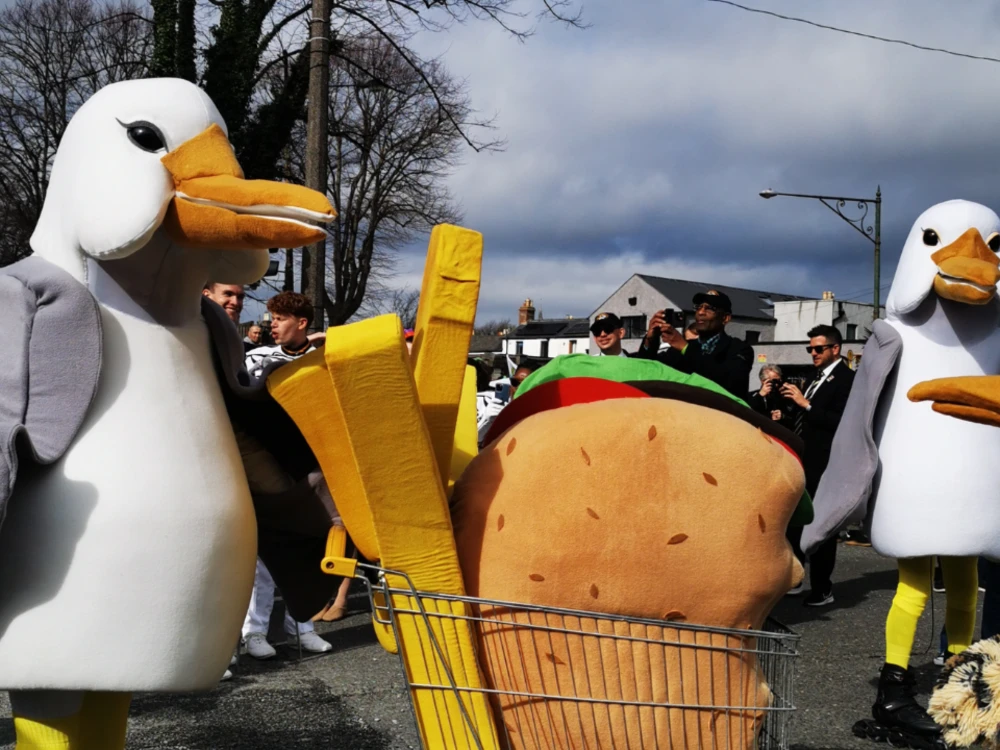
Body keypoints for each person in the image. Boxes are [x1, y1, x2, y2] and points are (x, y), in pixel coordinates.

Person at [241, 292, 335, 658]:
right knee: (266, 555)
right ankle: (255, 633)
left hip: (310, 463)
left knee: (311, 546)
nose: (271, 325)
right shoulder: (255, 358)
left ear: (302, 323)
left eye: (280, 318)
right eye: (271, 318)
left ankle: (302, 626)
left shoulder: (322, 360)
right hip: (269, 463)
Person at [784, 324, 855, 607]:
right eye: (809, 348)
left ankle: (823, 588)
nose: (813, 353)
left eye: (818, 348)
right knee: (794, 521)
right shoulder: (814, 377)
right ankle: (796, 576)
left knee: (821, 526)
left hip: (825, 463)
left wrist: (807, 406)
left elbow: (843, 421)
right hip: (803, 459)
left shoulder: (846, 379)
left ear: (835, 349)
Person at [634, 289, 753, 397]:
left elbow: (731, 383)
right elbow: (647, 370)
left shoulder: (739, 349)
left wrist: (686, 348)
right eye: (698, 307)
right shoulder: (680, 348)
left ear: (725, 318)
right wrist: (651, 338)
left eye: (709, 308)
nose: (701, 312)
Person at [477, 362, 538, 447]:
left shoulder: (540, 413)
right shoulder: (484, 402)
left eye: (525, 383)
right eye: (515, 382)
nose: (518, 387)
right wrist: (487, 421)